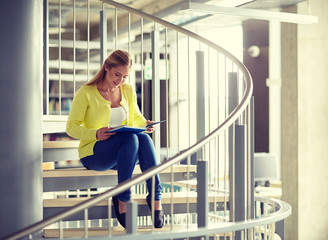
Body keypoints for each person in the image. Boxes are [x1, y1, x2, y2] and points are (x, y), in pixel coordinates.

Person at [66, 50, 164, 228]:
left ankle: (155, 197)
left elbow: (136, 117)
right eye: (117, 74)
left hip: (124, 154)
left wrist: (146, 123)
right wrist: (95, 133)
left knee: (142, 137)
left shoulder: (127, 90)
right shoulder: (86, 93)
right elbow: (71, 127)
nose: (120, 81)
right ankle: (123, 198)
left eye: (125, 77)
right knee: (131, 140)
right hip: (95, 154)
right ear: (106, 67)